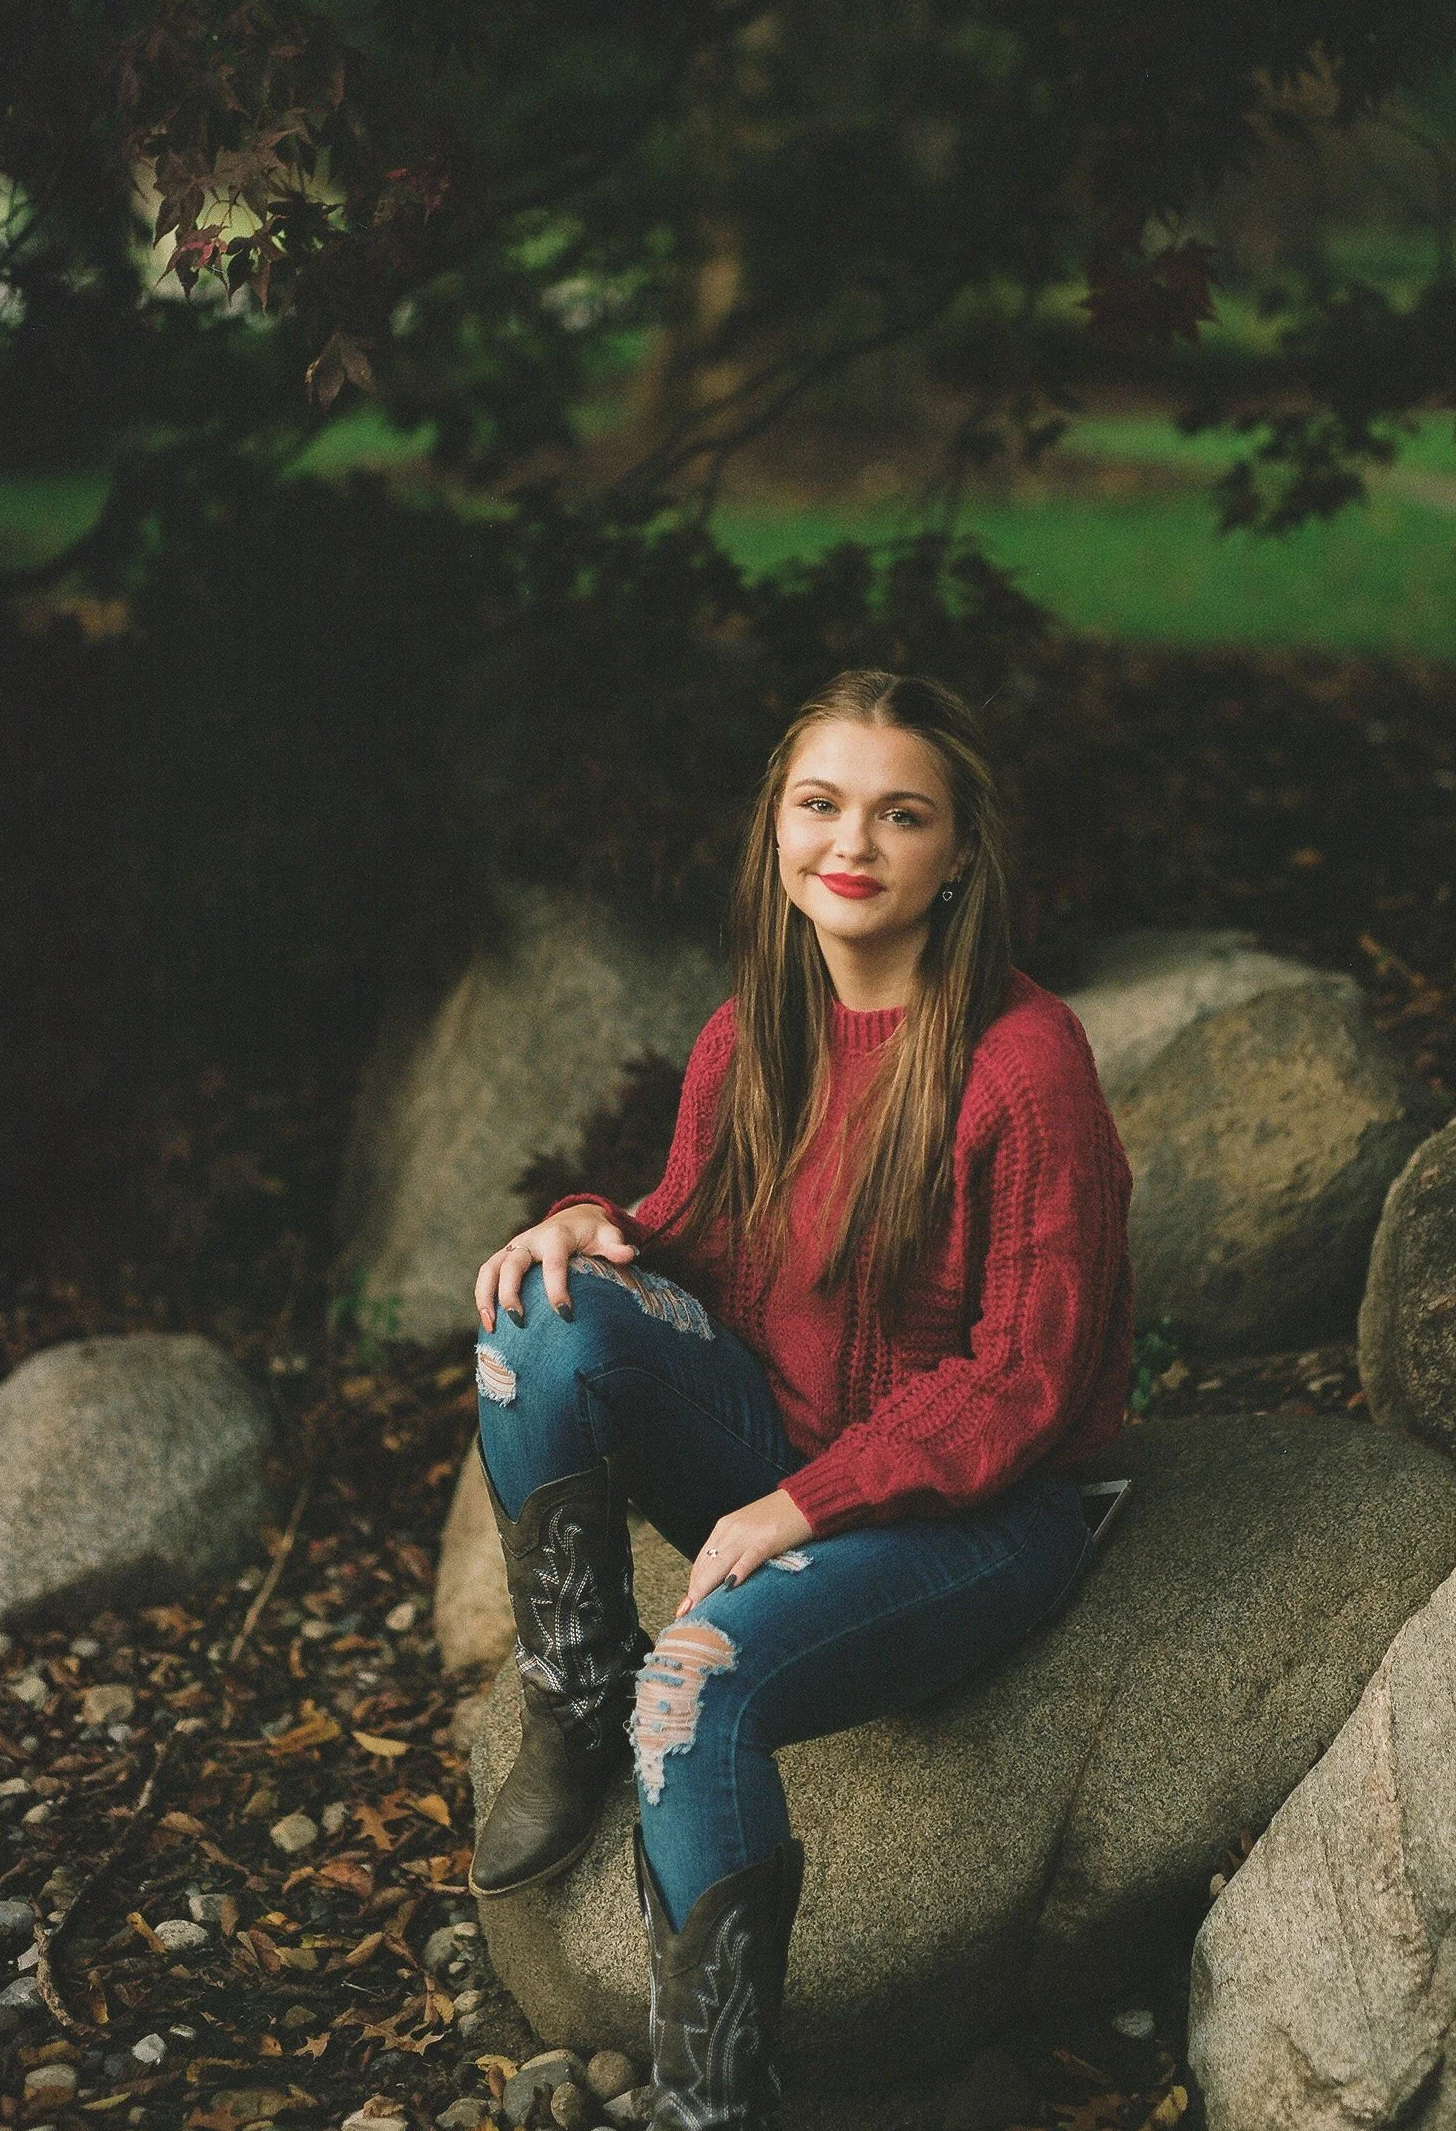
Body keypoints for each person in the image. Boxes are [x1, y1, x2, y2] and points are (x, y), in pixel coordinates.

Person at [468, 669, 1134, 2130]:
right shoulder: (751, 1031)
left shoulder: (1023, 1066)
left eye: (903, 815)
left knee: (693, 1694)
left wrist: (799, 1504)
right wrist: (586, 1223)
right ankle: (570, 1705)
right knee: (539, 1320)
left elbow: (1027, 1378)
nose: (855, 842)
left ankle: (717, 2103)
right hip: (791, 1452)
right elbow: (695, 1238)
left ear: (958, 854)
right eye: (822, 804)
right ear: (778, 824)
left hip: (985, 1508)